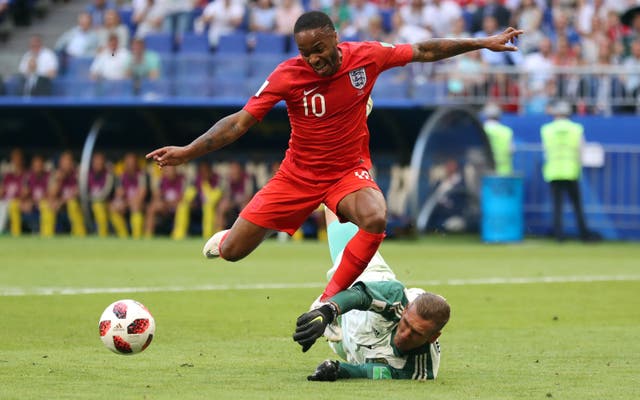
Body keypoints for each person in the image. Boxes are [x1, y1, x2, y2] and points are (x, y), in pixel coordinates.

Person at [146, 10, 523, 302]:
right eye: (305, 53)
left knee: (375, 217)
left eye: (319, 50)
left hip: (347, 173)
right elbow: (239, 123)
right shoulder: (286, 75)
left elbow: (424, 50)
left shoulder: (367, 57)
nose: (313, 59)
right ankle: (230, 237)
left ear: (335, 39)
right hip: (296, 176)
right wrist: (188, 151)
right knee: (232, 253)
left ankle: (326, 302)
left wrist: (482, 42)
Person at [293, 207, 450, 380]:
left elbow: (378, 371)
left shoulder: (420, 369)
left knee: (345, 343)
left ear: (433, 337)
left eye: (416, 333)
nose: (405, 334)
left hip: (349, 344)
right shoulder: (397, 297)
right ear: (406, 311)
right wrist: (327, 311)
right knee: (335, 202)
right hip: (361, 277)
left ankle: (333, 324)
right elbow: (360, 296)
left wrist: (339, 370)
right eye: (406, 324)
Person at [540, 100, 594, 242]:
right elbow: (582, 150)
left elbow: (545, 151)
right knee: (577, 205)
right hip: (571, 170)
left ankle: (559, 237)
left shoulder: (547, 129)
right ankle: (584, 235)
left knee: (557, 206)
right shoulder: (576, 128)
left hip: (554, 170)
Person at [109, 152, 148, 238]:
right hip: (126, 203)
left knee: (136, 206)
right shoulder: (121, 176)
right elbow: (118, 194)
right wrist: (120, 202)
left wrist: (127, 204)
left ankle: (137, 236)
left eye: (132, 163)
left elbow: (142, 195)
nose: (130, 165)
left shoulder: (141, 175)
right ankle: (123, 236)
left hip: (139, 204)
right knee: (113, 207)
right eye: (128, 163)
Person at [482, 102, 514, 176]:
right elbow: (511, 150)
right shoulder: (507, 131)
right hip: (504, 171)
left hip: (486, 170)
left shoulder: (481, 130)